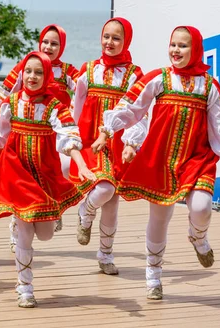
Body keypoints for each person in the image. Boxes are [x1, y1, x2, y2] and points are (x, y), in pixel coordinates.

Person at [94, 26, 220, 299]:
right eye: (173, 44)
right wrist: (109, 131)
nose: (176, 50)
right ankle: (153, 276)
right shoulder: (160, 79)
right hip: (161, 160)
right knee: (159, 217)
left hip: (196, 159)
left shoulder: (208, 85)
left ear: (196, 50)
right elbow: (132, 106)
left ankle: (198, 237)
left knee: (201, 207)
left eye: (183, 46)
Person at [0, 51, 95, 307]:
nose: (32, 76)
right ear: (21, 74)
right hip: (16, 173)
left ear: (47, 76)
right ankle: (25, 286)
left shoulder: (54, 106)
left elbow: (69, 136)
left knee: (46, 234)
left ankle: (31, 226)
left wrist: (81, 164)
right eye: (28, 71)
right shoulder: (11, 103)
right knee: (25, 231)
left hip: (45, 175)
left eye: (39, 72)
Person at [0, 24, 79, 251]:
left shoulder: (67, 70)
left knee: (60, 170)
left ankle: (50, 204)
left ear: (62, 46)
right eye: (45, 42)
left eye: (54, 43)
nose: (49, 46)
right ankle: (19, 221)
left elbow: (84, 88)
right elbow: (4, 91)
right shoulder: (26, 66)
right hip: (26, 129)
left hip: (55, 130)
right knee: (23, 178)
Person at [69, 17, 146, 275]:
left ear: (126, 42)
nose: (109, 42)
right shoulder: (89, 69)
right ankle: (86, 210)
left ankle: (105, 255)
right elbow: (77, 105)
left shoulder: (134, 73)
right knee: (104, 189)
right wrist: (74, 137)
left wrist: (132, 141)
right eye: (106, 36)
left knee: (112, 203)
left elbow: (140, 110)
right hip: (93, 140)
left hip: (120, 142)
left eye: (116, 38)